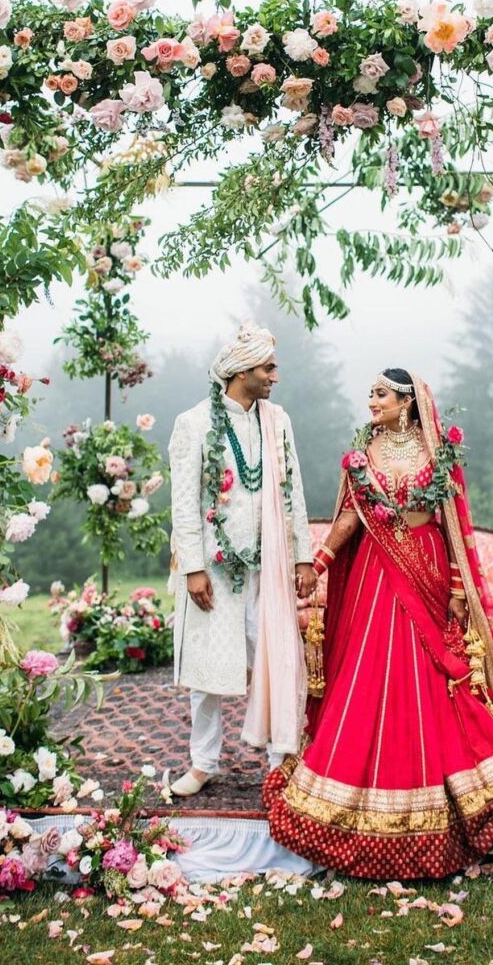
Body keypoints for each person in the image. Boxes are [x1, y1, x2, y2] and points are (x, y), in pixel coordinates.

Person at [264, 369, 493, 877]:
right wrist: (320, 561)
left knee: (429, 676)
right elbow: (350, 517)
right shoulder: (363, 454)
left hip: (428, 568)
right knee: (368, 674)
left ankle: (443, 783)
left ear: (407, 402)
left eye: (381, 394)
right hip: (376, 572)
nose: (372, 401)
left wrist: (459, 588)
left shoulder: (436, 451)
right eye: (370, 393)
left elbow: (454, 521)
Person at [167, 322, 315, 796]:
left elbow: (292, 493)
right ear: (241, 371)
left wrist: (301, 557)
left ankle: (279, 759)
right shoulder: (194, 423)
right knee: (207, 669)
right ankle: (203, 761)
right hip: (211, 567)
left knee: (275, 657)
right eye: (268, 368)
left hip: (267, 565)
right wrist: (192, 567)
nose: (275, 376)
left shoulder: (279, 421)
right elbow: (185, 503)